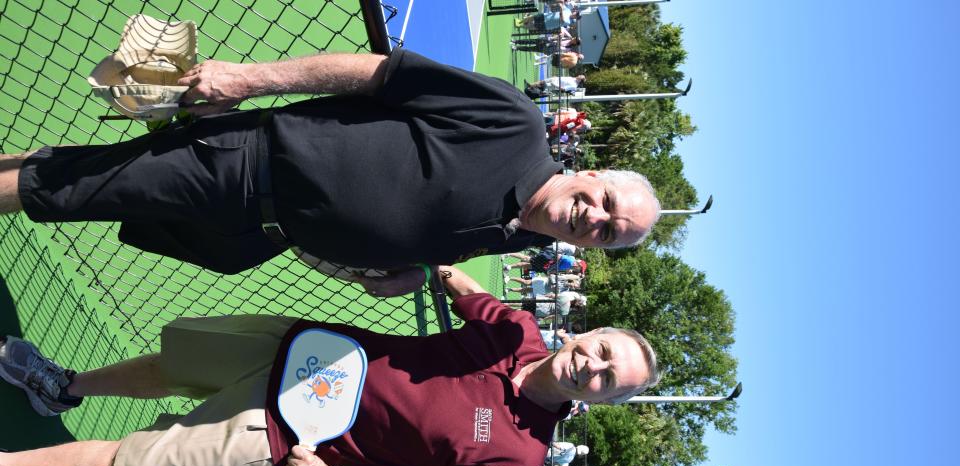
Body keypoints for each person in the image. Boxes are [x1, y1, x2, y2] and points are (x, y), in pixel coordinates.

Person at [0, 267, 659, 466]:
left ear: (604, 404)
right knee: (171, 363)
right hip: (303, 350)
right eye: (602, 352)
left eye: (609, 380)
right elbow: (452, 275)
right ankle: (63, 387)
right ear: (588, 334)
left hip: (286, 438)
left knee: (127, 464)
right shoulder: (514, 330)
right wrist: (421, 250)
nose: (592, 369)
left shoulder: (520, 457)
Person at [0, 48, 660, 297]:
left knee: (78, 178)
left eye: (606, 232)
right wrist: (249, 80)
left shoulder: (527, 237)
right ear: (593, 170)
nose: (595, 218)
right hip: (244, 166)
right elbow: (377, 73)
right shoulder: (513, 120)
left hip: (255, 237)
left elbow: (433, 214)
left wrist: (415, 267)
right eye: (604, 202)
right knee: (60, 191)